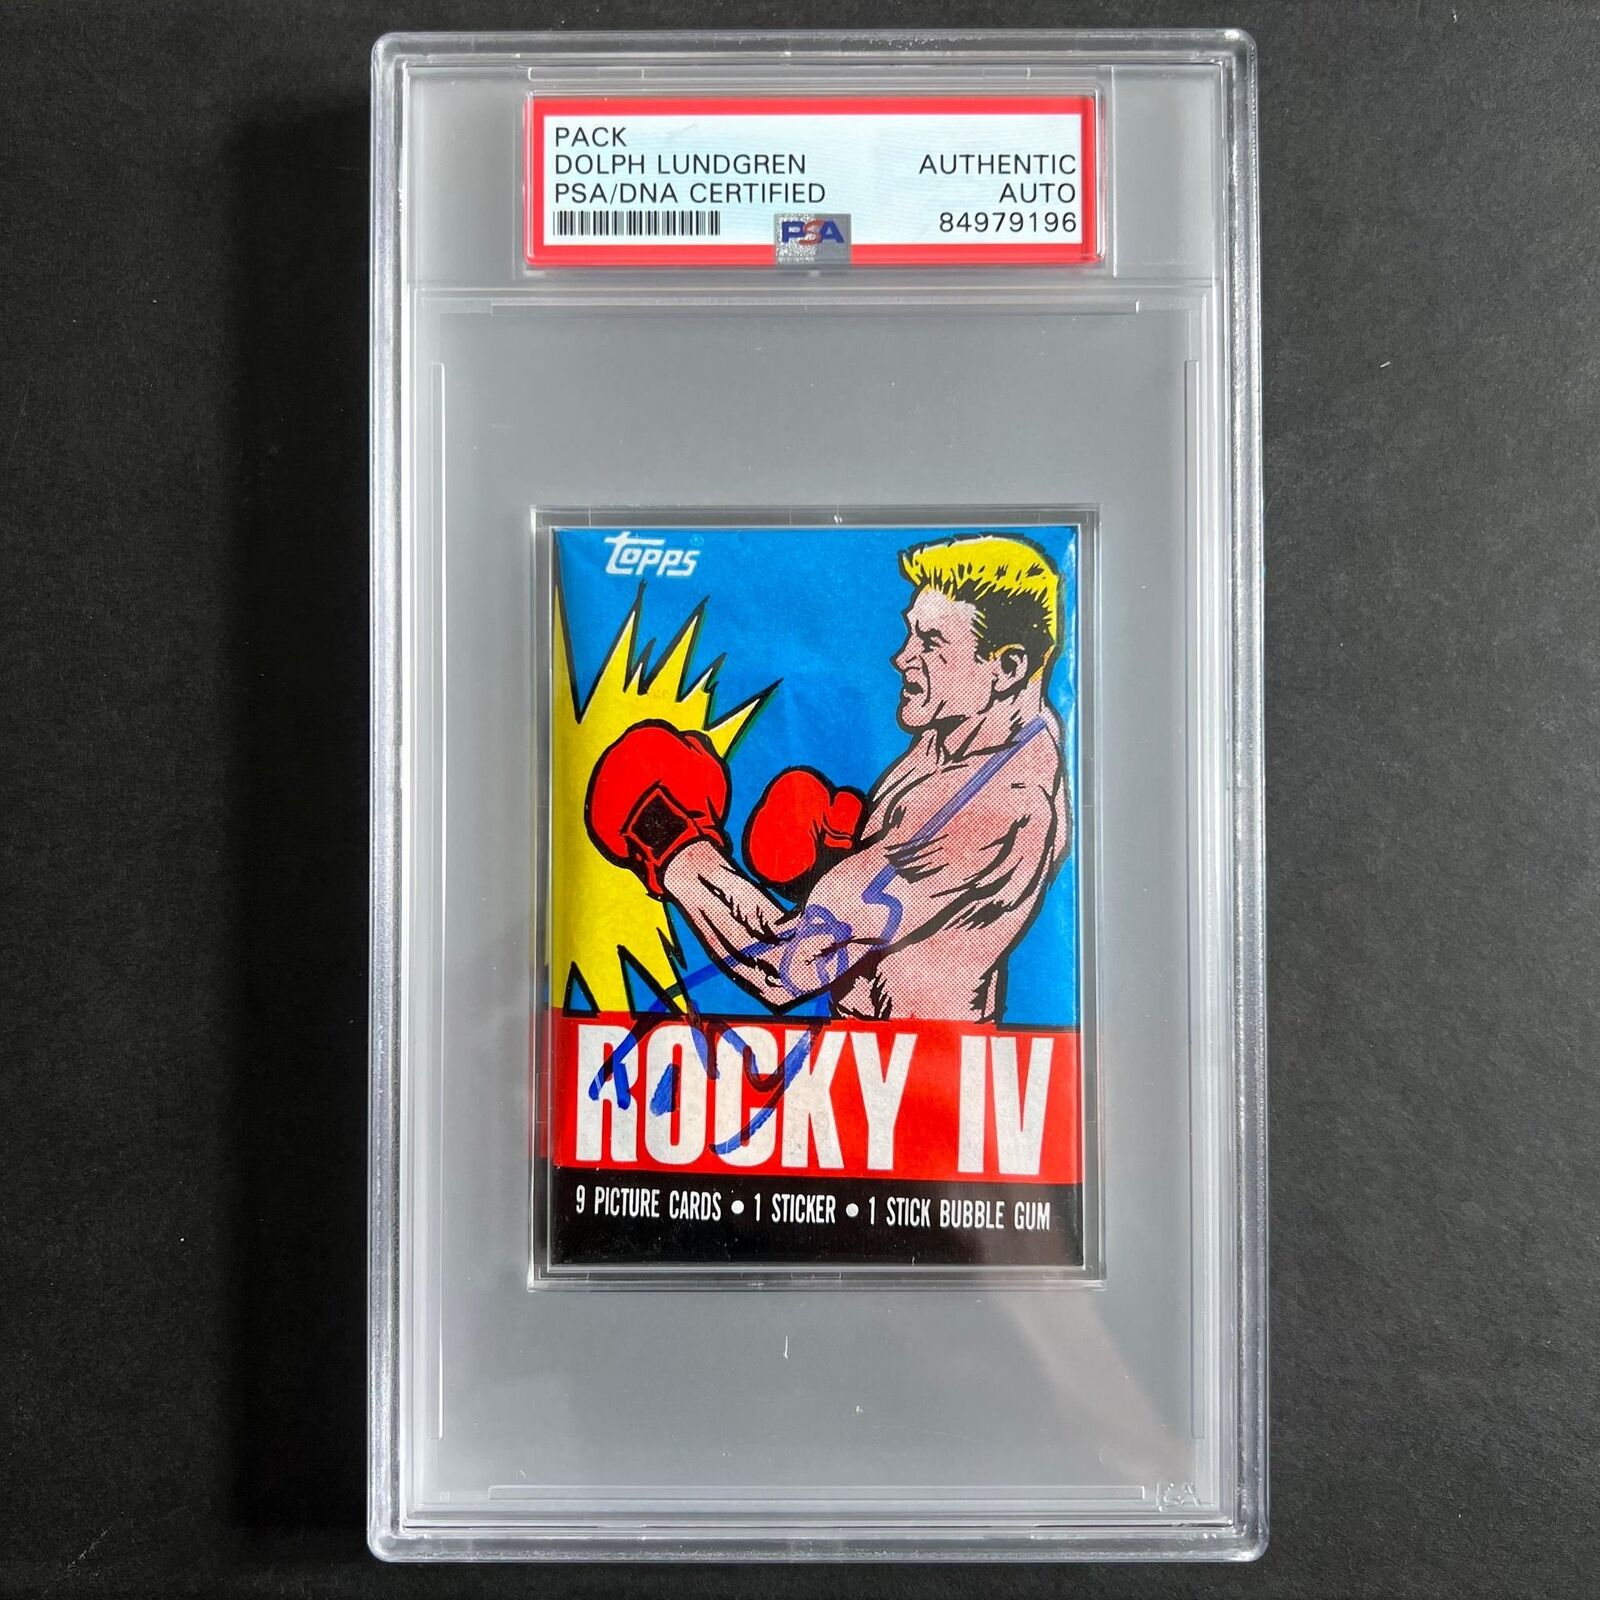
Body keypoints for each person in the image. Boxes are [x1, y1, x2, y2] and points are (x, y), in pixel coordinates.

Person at [585, 533, 1070, 1024]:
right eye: (911, 633)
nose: (902, 657)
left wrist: (667, 837)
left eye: (931, 642)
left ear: (1008, 666)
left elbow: (783, 969)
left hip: (912, 1063)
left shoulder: (999, 806)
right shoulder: (983, 729)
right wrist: (834, 863)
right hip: (871, 1048)